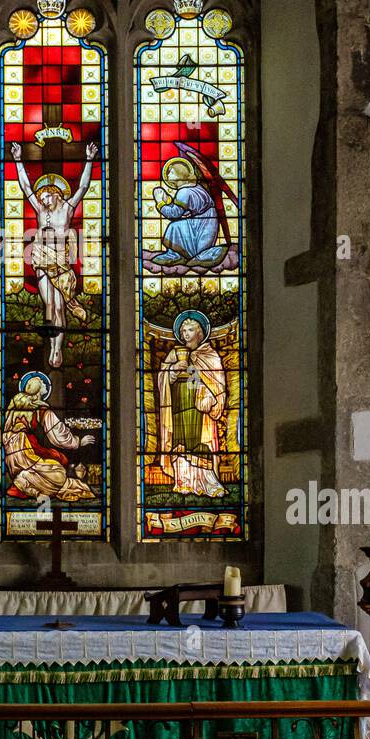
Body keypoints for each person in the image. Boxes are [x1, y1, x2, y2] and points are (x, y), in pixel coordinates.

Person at [11, 140, 97, 368]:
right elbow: (26, 188)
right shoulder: (40, 211)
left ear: (55, 194)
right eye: (41, 198)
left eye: (45, 196)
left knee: (60, 306)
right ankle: (53, 347)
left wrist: (89, 160)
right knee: (50, 306)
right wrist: (18, 161)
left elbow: (83, 188)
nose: (41, 200)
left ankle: (58, 348)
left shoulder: (68, 208)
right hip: (42, 261)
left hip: (61, 265)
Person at [156, 310, 227, 496]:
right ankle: (183, 481)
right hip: (178, 408)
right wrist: (172, 370)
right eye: (183, 330)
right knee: (180, 442)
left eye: (190, 329)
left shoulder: (209, 355)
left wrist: (209, 396)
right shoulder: (174, 354)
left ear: (200, 332)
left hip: (200, 413)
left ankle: (206, 483)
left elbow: (218, 384)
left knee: (201, 444)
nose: (185, 334)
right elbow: (162, 378)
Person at [3, 372, 95, 501]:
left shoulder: (16, 403)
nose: (46, 386)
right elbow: (57, 432)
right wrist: (78, 442)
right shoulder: (40, 408)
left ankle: (24, 480)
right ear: (37, 389)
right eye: (43, 384)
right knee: (59, 471)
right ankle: (26, 479)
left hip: (11, 450)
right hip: (26, 449)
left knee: (56, 458)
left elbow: (6, 430)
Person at [151, 156, 225, 268]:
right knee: (177, 225)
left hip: (201, 227)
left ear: (179, 174)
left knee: (174, 226)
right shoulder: (194, 187)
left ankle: (176, 255)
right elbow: (184, 210)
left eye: (171, 172)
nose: (167, 175)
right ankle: (178, 254)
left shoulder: (184, 192)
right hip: (205, 223)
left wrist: (160, 202)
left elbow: (174, 214)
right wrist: (168, 200)